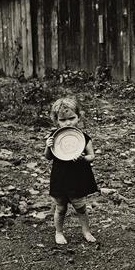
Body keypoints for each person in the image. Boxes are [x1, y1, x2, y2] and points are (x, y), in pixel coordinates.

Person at [44, 97, 98, 244]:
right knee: (60, 208)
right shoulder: (55, 138)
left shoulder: (83, 138)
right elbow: (48, 157)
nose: (68, 123)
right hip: (60, 177)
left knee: (80, 207)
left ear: (79, 117)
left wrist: (83, 158)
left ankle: (86, 231)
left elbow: (91, 156)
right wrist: (48, 146)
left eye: (72, 118)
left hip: (78, 177)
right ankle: (59, 232)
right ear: (56, 121)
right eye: (62, 120)